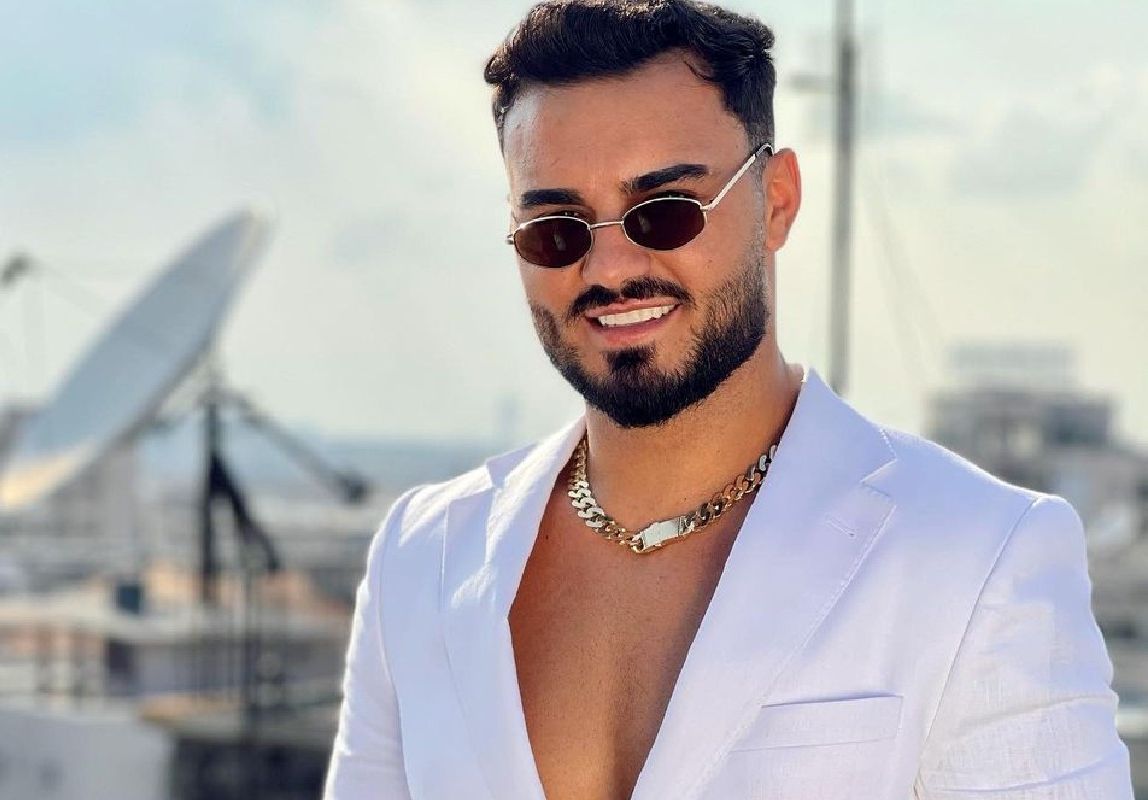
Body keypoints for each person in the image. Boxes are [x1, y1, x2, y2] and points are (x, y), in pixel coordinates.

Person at [323, 1, 1133, 797]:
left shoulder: (979, 557)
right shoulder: (422, 558)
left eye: (664, 213)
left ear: (775, 201)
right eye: (556, 229)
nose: (609, 269)